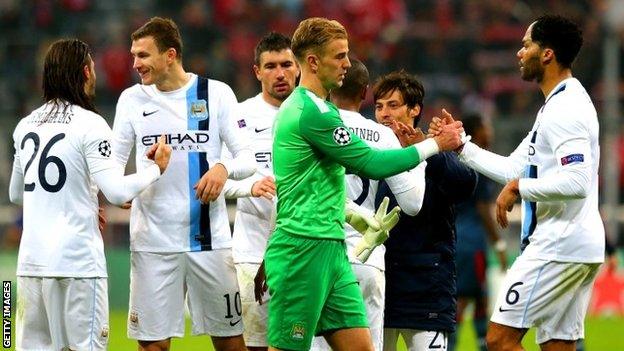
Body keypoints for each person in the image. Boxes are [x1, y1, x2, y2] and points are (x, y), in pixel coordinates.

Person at [266, 17, 465, 351]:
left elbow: (313, 185)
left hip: (333, 249)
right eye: (339, 56)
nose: (347, 64)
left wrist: (355, 217)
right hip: (302, 248)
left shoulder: (320, 109)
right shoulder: (308, 112)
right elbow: (371, 163)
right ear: (313, 62)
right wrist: (435, 145)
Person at [431, 15, 604, 351]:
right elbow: (513, 165)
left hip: (557, 246)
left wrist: (519, 189)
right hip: (575, 246)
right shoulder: (557, 104)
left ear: (547, 54)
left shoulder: (565, 109)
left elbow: (578, 181)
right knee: (557, 344)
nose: (519, 53)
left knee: (498, 340)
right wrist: (461, 145)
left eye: (526, 46)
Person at [9, 39, 171, 351]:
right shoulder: (91, 123)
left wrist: (77, 197)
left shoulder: (24, 125)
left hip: (31, 265)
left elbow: (17, 194)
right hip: (77, 264)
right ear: (86, 72)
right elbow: (116, 192)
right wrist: (156, 168)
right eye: (93, 68)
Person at [112, 17, 255, 351]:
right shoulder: (131, 100)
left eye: (144, 55)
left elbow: (247, 157)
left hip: (210, 240)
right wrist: (124, 189)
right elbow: (112, 170)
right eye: (134, 55)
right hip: (152, 244)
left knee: (231, 343)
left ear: (170, 55)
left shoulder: (216, 93)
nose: (135, 64)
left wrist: (222, 168)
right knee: (153, 346)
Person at [310, 58, 427, 351]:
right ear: (365, 93)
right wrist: (419, 155)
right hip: (366, 258)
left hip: (319, 254)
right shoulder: (382, 135)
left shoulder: (312, 125)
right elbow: (412, 203)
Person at [372, 70, 477, 351]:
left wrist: (428, 151)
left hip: (426, 286)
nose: (384, 114)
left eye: (393, 105)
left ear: (415, 109)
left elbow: (467, 184)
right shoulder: (369, 155)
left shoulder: (433, 152)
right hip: (382, 286)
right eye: (379, 106)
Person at [223, 31, 299, 351]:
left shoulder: (313, 114)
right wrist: (250, 187)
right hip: (253, 253)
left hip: (302, 252)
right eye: (270, 66)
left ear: (298, 68)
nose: (279, 73)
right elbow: (219, 180)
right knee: (255, 344)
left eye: (286, 64)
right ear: (257, 71)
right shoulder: (238, 115)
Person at [448, 113, 508, 351]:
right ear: (476, 131)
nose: (490, 131)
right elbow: (484, 209)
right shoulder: (478, 164)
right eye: (486, 126)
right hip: (471, 243)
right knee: (464, 299)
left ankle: (480, 345)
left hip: (458, 239)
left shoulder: (458, 161)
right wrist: (500, 245)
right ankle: (449, 346)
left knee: (478, 297)